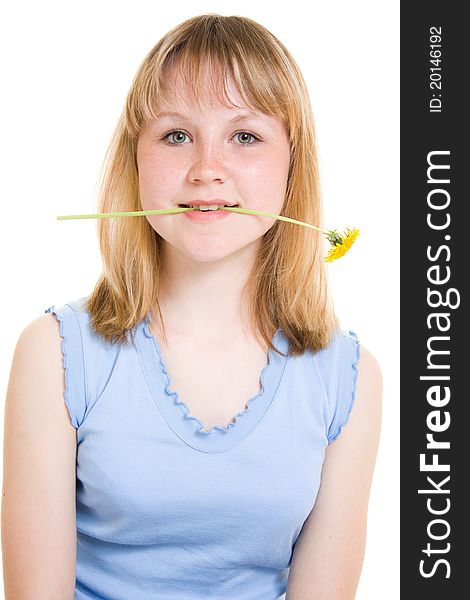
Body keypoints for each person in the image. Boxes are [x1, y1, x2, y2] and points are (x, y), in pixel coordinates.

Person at [1, 13, 382, 600]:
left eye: (245, 136)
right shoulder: (53, 353)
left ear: (292, 163)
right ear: (136, 157)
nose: (207, 169)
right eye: (176, 135)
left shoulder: (346, 378)